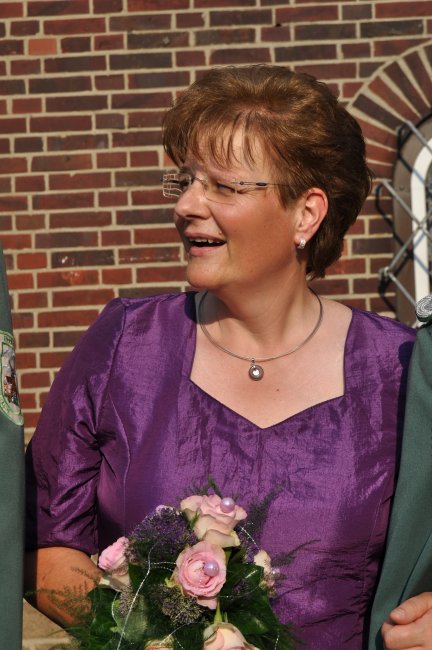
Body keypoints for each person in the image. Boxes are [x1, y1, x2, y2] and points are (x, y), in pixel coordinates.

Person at [24, 65, 428, 649]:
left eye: (225, 186)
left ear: (306, 213)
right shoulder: (124, 346)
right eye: (187, 181)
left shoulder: (404, 371)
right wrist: (148, 633)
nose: (188, 204)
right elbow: (45, 545)